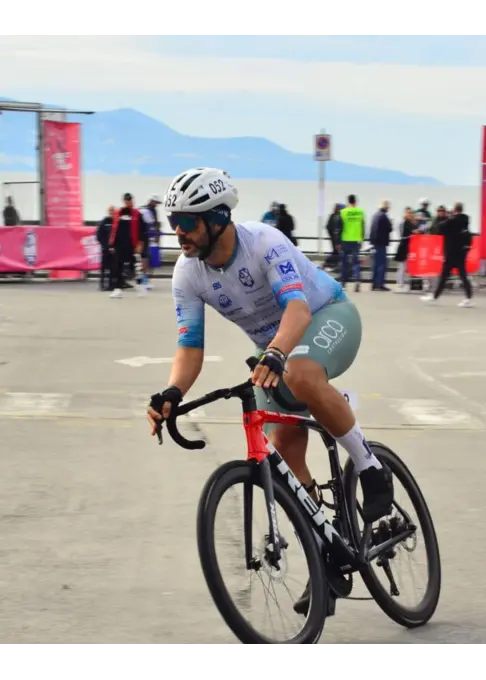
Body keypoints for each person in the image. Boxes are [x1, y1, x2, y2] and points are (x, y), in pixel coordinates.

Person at [146, 167, 393, 616]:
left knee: (300, 374)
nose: (177, 231)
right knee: (280, 448)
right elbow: (190, 347)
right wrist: (172, 392)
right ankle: (325, 551)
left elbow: (297, 309)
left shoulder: (263, 242)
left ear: (217, 219)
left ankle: (369, 466)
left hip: (326, 316)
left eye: (186, 222)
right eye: (172, 221)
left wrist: (277, 352)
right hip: (274, 349)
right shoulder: (187, 274)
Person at [421, 202, 473, 307]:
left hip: (451, 253)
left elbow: (439, 227)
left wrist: (448, 217)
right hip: (461, 253)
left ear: (454, 209)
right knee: (463, 276)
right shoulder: (465, 220)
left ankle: (435, 297)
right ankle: (468, 298)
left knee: (444, 276)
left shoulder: (452, 220)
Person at [108, 193, 145, 298]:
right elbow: (114, 229)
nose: (128, 202)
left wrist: (140, 243)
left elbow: (142, 230)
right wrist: (112, 244)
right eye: (126, 200)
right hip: (119, 245)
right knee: (118, 267)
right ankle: (118, 289)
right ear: (124, 201)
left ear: (132, 201)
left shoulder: (137, 214)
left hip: (132, 244)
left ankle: (140, 287)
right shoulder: (118, 213)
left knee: (135, 267)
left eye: (129, 200)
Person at [339, 195, 365, 292]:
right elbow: (363, 226)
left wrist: (338, 241)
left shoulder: (343, 212)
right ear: (355, 201)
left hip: (345, 239)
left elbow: (340, 227)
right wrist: (362, 239)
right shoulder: (360, 212)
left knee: (344, 263)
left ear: (348, 201)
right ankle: (357, 280)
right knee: (356, 262)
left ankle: (343, 284)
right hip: (356, 240)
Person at [139, 194, 163, 290]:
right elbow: (151, 224)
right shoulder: (145, 210)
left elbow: (155, 224)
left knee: (149, 259)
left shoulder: (152, 210)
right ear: (152, 201)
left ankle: (146, 279)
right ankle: (144, 279)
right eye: (156, 202)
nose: (156, 204)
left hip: (150, 238)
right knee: (145, 258)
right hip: (145, 237)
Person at [369, 200, 393, 291]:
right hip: (381, 243)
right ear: (386, 207)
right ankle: (380, 284)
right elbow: (389, 228)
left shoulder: (375, 215)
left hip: (375, 243)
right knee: (382, 264)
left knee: (375, 264)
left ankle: (374, 283)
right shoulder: (384, 216)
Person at [393, 207, 417, 292]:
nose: (410, 214)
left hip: (411, 246)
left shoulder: (412, 223)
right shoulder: (402, 223)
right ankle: (400, 284)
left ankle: (405, 283)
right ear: (405, 213)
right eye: (408, 213)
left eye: (411, 213)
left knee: (408, 266)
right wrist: (412, 235)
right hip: (403, 246)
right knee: (402, 266)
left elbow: (416, 231)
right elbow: (402, 235)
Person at [96, 206, 115, 291]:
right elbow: (99, 236)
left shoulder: (116, 222)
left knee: (113, 267)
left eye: (113, 210)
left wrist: (114, 247)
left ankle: (111, 285)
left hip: (114, 249)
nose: (112, 212)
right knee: (103, 267)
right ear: (108, 211)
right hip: (105, 248)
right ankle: (102, 284)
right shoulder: (104, 221)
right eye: (110, 210)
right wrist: (106, 246)